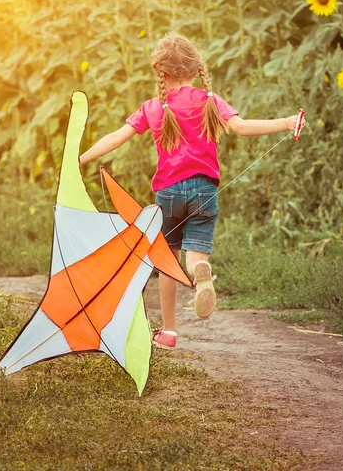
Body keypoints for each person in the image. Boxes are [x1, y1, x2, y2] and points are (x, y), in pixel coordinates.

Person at [79, 32, 304, 349]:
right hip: (204, 191)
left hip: (168, 194)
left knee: (167, 261)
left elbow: (116, 138)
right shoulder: (208, 100)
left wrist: (79, 158)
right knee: (195, 256)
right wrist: (286, 122)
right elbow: (241, 127)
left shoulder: (152, 107)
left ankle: (169, 332)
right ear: (193, 67)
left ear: (161, 71)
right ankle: (201, 276)